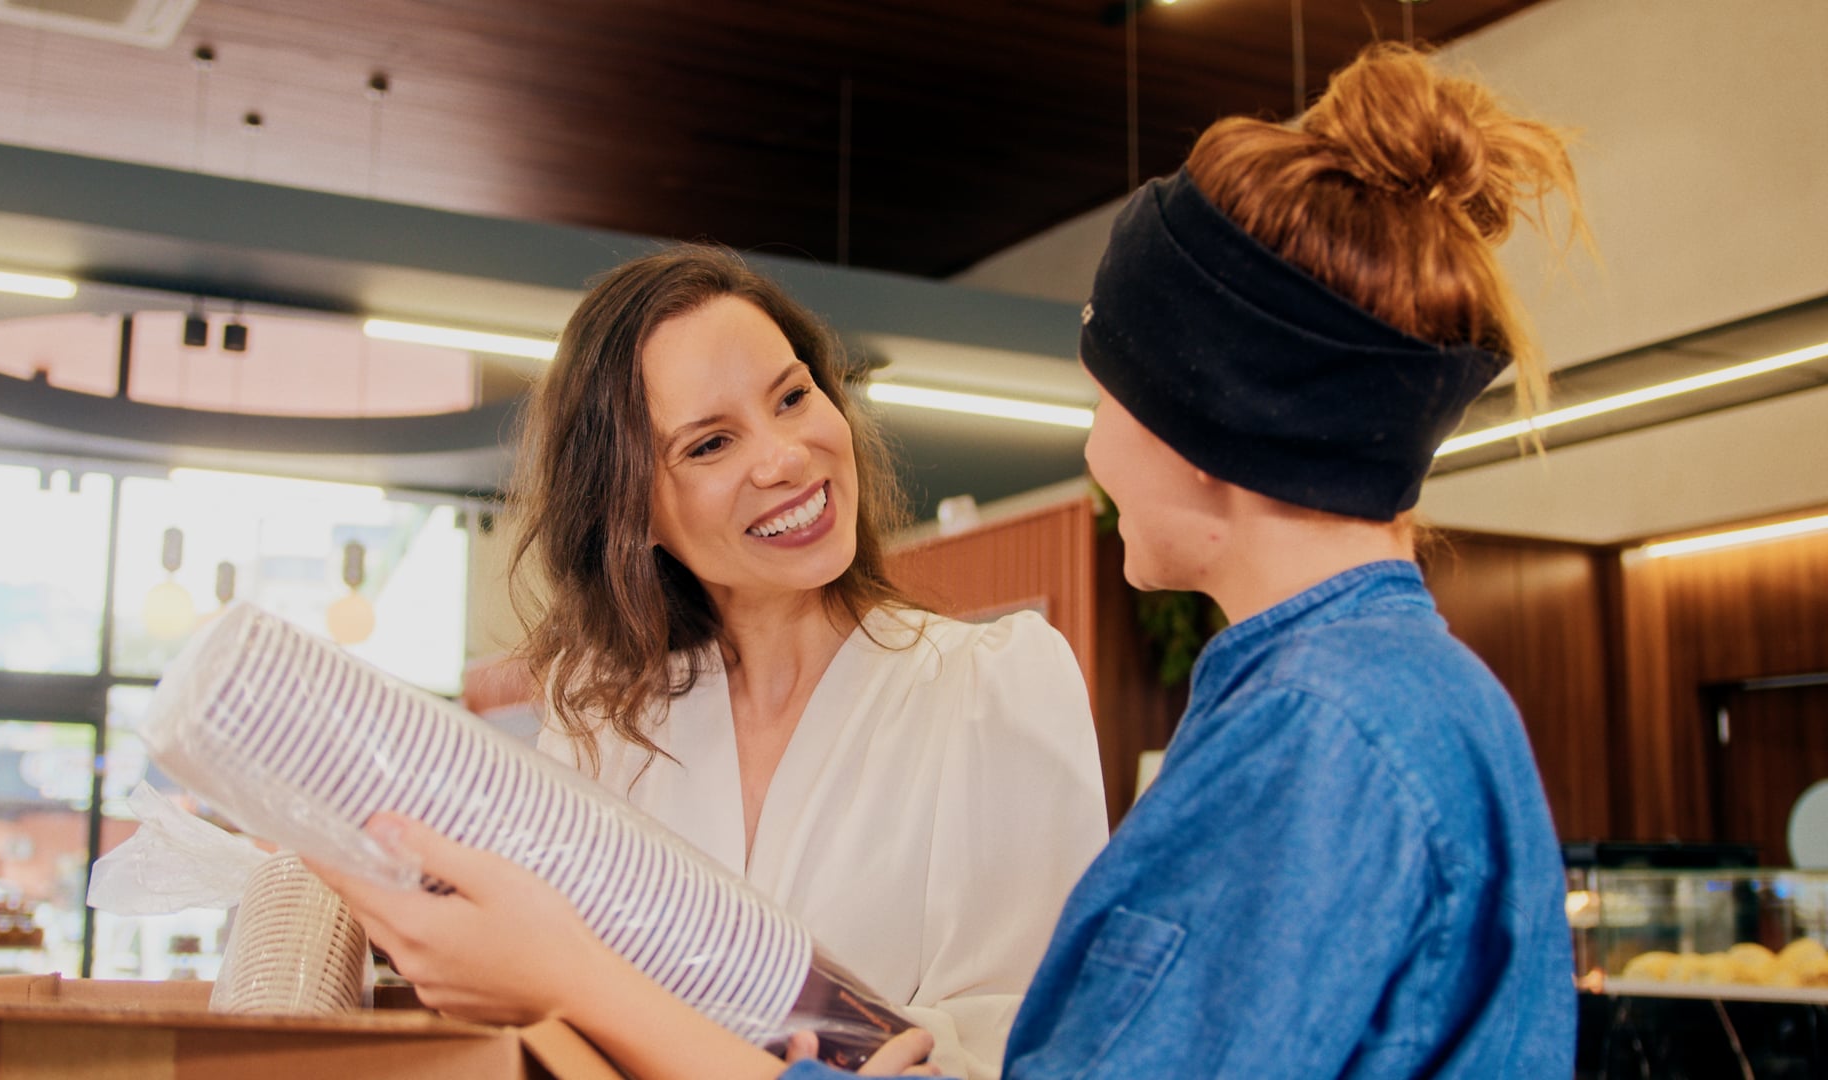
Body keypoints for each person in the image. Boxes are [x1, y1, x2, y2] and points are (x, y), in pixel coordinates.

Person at [321, 42, 1583, 1079]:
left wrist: (572, 975)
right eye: (709, 441)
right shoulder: (1332, 710)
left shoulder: (1321, 743)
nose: (1094, 448)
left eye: (1111, 397)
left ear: (1204, 431)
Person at [360, 244, 1106, 1077]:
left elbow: (1024, 1047)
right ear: (631, 510)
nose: (785, 457)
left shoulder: (993, 687)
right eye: (710, 444)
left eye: (792, 396)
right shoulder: (606, 726)